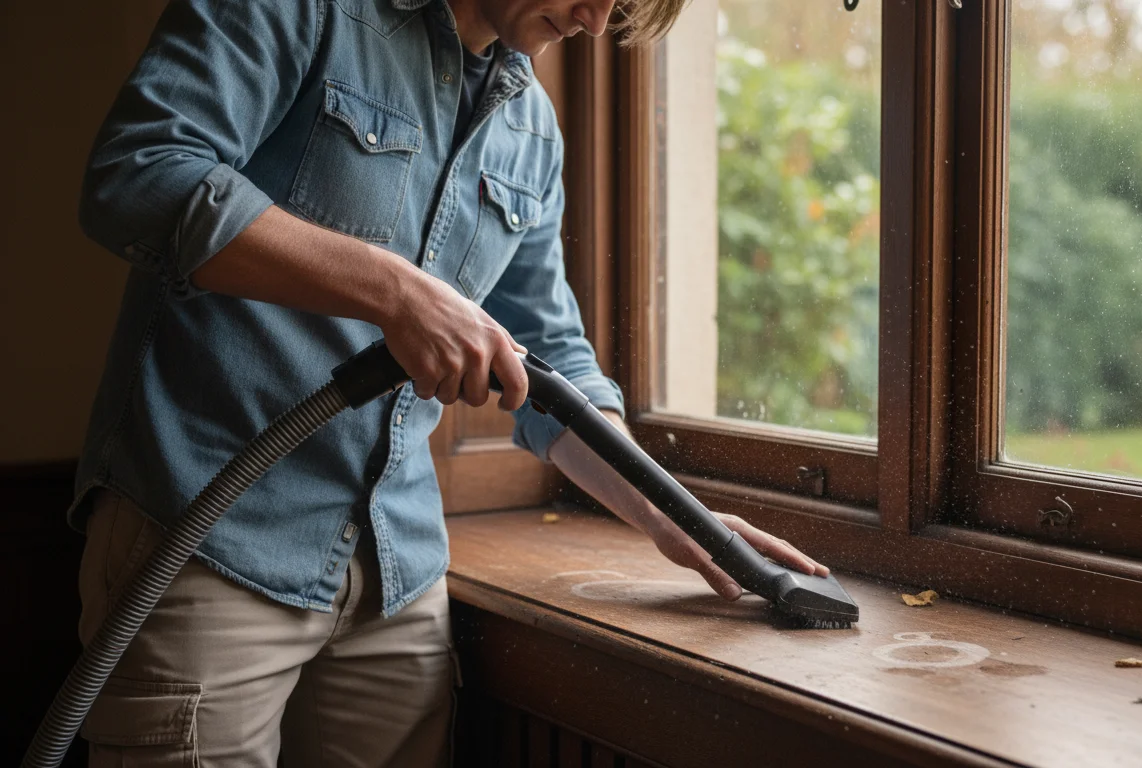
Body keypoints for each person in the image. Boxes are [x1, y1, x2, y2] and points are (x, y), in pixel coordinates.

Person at [71, 0, 829, 764]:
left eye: (625, 8)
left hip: (396, 581)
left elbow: (550, 360)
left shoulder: (530, 128)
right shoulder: (301, 11)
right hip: (209, 546)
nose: (598, 23)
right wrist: (394, 291)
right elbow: (138, 175)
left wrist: (676, 517)